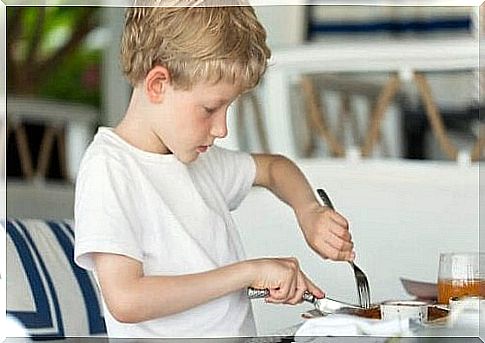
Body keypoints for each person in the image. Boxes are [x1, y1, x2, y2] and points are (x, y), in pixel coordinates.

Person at [74, 0, 354, 338]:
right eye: (210, 108)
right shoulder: (110, 168)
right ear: (158, 85)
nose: (222, 129)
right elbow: (126, 300)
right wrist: (248, 273)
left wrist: (309, 211)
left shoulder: (196, 161)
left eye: (228, 108)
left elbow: (274, 169)